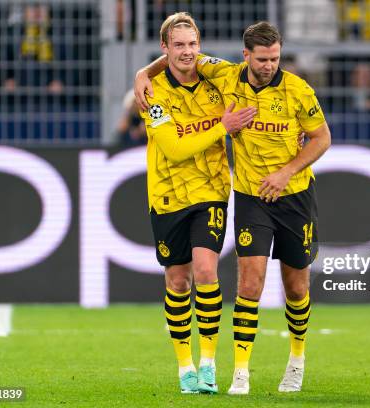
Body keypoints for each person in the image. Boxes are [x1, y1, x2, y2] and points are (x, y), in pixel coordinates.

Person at [135, 21, 331, 395]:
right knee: (246, 282)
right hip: (244, 193)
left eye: (274, 58)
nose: (268, 65)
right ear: (246, 56)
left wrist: (288, 170)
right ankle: (237, 372)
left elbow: (322, 137)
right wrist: (143, 71)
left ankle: (296, 360)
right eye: (262, 59)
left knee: (295, 285)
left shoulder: (297, 90)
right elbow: (178, 67)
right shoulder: (223, 77)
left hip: (292, 194)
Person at [139, 12, 256, 394]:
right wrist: (222, 127)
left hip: (211, 191)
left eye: (192, 44)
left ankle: (208, 363)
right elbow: (172, 148)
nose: (187, 52)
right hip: (168, 194)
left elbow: (252, 76)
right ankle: (184, 366)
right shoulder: (152, 93)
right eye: (178, 45)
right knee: (177, 280)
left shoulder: (215, 75)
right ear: (165, 48)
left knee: (206, 271)